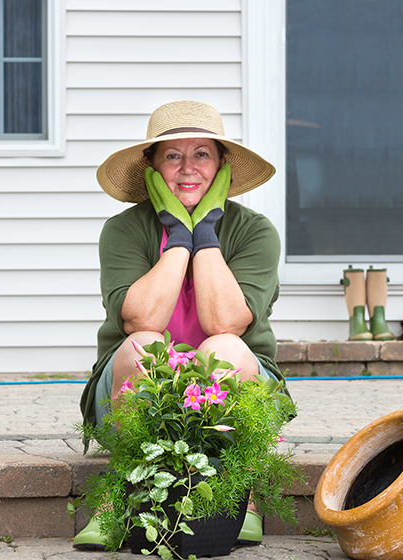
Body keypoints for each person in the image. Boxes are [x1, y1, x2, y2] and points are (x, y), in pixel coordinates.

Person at [75, 100, 290, 549]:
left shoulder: (255, 232)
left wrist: (206, 230)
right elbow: (142, 319)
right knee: (143, 345)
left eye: (202, 155)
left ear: (223, 167)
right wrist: (177, 235)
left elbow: (224, 320)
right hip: (133, 385)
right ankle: (121, 495)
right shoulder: (123, 230)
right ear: (152, 168)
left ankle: (238, 492)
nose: (187, 168)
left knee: (225, 349)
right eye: (172, 155)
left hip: (241, 383)